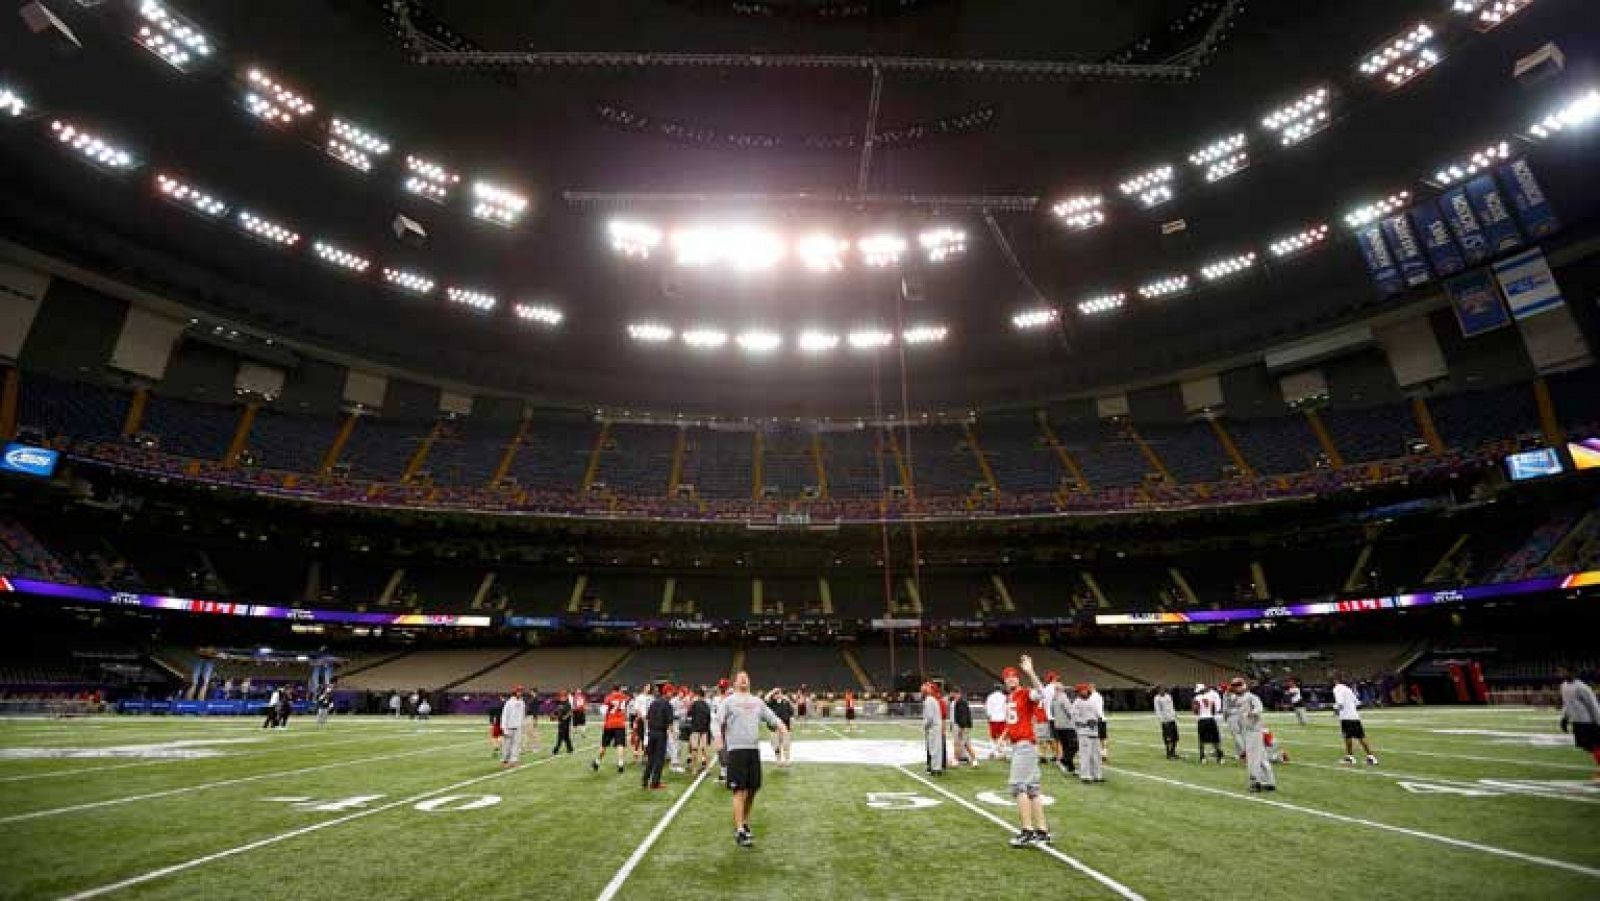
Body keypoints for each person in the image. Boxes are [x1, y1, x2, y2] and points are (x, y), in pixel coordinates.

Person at [714, 670, 789, 848]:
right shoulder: (729, 701)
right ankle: (739, 830)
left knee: (753, 789)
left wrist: (781, 725)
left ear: (749, 682)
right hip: (736, 751)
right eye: (740, 678)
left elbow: (771, 717)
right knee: (739, 791)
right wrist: (718, 737)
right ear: (735, 683)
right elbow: (716, 721)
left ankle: (744, 822)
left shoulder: (757, 702)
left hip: (753, 750)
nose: (743, 680)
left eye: (746, 678)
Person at [1000, 657, 1052, 848]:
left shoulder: (1023, 693)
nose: (1011, 679)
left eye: (1014, 676)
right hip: (1019, 745)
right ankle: (1042, 830)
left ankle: (1027, 830)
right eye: (1008, 677)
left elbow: (1041, 693)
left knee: (1018, 786)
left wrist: (1030, 671)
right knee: (1032, 789)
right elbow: (1012, 722)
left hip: (1025, 745)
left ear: (1018, 679)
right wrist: (1001, 740)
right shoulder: (1010, 697)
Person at [1232, 677, 1276, 792]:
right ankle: (1269, 781)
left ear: (1243, 685)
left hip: (1254, 731)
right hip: (1247, 731)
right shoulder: (1237, 698)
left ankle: (1256, 782)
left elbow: (1259, 709)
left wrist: (1250, 713)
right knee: (1261, 757)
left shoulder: (1251, 697)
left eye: (1238, 685)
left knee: (1253, 758)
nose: (1236, 688)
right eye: (1234, 686)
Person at [1556, 668, 1600, 779]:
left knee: (1595, 745)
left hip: (1588, 721)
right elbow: (1567, 704)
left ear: (1572, 672)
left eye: (1563, 671)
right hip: (1577, 721)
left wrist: (1598, 721)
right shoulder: (1563, 686)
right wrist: (1564, 718)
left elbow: (1593, 705)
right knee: (1588, 746)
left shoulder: (1582, 687)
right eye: (1559, 672)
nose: (1561, 674)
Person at [1332, 674, 1379, 765]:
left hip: (1346, 717)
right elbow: (1357, 702)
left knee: (1347, 737)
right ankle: (1371, 757)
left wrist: (1335, 709)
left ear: (1336, 680)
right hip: (1355, 716)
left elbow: (1340, 703)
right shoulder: (1348, 689)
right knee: (1361, 737)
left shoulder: (1337, 688)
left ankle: (1350, 757)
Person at [642, 683, 674, 790]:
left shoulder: (653, 702)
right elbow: (669, 723)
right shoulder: (668, 705)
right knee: (659, 759)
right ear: (667, 692)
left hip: (651, 733)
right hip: (661, 733)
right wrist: (672, 735)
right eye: (671, 692)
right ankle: (655, 783)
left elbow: (647, 718)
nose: (672, 694)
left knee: (650, 758)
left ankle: (645, 781)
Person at [1070, 683, 1104, 783]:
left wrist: (1097, 720)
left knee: (1096, 755)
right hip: (1084, 733)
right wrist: (1086, 722)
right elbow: (1074, 718)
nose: (1083, 692)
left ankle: (1097, 775)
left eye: (1084, 690)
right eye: (1081, 691)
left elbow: (1097, 714)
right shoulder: (1077, 703)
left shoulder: (1092, 700)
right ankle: (1085, 776)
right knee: (1085, 755)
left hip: (1094, 731)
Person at [593, 683, 630, 774]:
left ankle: (597, 762)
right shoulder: (625, 697)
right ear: (620, 688)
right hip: (620, 724)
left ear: (613, 689)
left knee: (604, 745)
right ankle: (620, 764)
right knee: (620, 745)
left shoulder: (608, 697)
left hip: (609, 724)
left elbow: (603, 711)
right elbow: (626, 706)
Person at [1048, 675, 1077, 775]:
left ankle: (1070, 767)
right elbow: (1070, 711)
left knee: (1065, 746)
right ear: (1061, 689)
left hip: (1058, 725)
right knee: (1074, 745)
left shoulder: (1053, 699)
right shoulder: (1063, 698)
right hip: (1068, 726)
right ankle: (1064, 759)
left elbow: (1052, 712)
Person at [1193, 682, 1224, 763]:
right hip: (1210, 718)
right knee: (1215, 739)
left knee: (1202, 739)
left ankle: (1202, 757)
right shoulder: (1211, 696)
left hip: (1202, 719)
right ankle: (1219, 757)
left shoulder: (1196, 698)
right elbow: (1213, 709)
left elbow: (1195, 710)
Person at [766, 687, 795, 768]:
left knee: (786, 745)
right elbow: (766, 698)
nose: (778, 695)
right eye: (776, 694)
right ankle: (778, 760)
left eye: (779, 693)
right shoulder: (771, 703)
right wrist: (773, 691)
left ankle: (787, 760)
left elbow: (791, 714)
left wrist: (791, 724)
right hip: (774, 728)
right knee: (776, 746)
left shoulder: (786, 702)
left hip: (785, 727)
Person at [922, 682, 946, 775]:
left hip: (933, 727)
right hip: (936, 726)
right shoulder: (933, 699)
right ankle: (936, 767)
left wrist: (925, 725)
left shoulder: (929, 700)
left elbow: (929, 717)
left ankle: (935, 768)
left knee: (934, 748)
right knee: (936, 748)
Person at [499, 687, 527, 768]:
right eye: (519, 691)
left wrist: (522, 724)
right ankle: (504, 760)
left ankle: (514, 760)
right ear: (515, 692)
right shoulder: (509, 702)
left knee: (516, 745)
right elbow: (504, 715)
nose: (520, 693)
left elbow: (522, 714)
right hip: (509, 727)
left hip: (518, 727)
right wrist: (504, 728)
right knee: (506, 745)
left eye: (521, 691)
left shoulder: (522, 702)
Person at [688, 686, 713, 774]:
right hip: (704, 729)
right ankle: (707, 768)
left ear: (698, 694)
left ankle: (694, 769)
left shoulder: (694, 703)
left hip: (695, 729)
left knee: (694, 749)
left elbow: (689, 714)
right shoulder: (706, 705)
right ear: (704, 695)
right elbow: (709, 718)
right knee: (704, 749)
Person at [951, 688, 977, 767]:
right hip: (961, 725)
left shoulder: (961, 702)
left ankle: (956, 760)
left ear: (958, 693)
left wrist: (962, 727)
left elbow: (964, 715)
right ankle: (974, 760)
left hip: (961, 726)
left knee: (957, 743)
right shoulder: (956, 702)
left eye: (954, 693)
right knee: (966, 744)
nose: (953, 695)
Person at [984, 684, 1010, 760]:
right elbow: (1006, 708)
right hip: (1002, 719)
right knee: (1003, 738)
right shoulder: (1004, 697)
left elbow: (988, 709)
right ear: (1001, 689)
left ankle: (992, 752)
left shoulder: (990, 697)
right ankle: (1003, 753)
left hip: (993, 719)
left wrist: (988, 718)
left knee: (993, 738)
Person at [1153, 686, 1179, 759]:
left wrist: (1175, 715)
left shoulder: (1168, 696)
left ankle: (1173, 752)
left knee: (1175, 737)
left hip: (1172, 719)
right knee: (1168, 738)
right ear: (1158, 691)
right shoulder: (1157, 698)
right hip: (1165, 720)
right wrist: (1161, 720)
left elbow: (1172, 707)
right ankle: (1168, 754)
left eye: (1163, 689)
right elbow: (1157, 710)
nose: (1162, 691)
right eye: (1161, 690)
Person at [1221, 680, 1244, 761]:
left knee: (1236, 735)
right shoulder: (1239, 694)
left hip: (1232, 716)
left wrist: (1224, 717)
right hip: (1241, 714)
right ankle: (1239, 753)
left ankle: (1243, 752)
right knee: (1241, 734)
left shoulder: (1227, 694)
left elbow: (1225, 708)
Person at [629, 684, 651, 765]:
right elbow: (637, 709)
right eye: (647, 686)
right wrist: (641, 717)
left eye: (649, 687)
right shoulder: (639, 698)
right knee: (638, 737)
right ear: (644, 687)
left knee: (647, 738)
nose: (649, 688)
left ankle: (645, 756)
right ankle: (636, 755)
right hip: (641, 720)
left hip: (649, 720)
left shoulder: (651, 698)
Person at [1086, 682, 1108, 762]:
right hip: (1101, 718)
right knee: (1103, 738)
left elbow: (1094, 709)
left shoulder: (1092, 697)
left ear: (1091, 688)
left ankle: (1099, 755)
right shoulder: (1098, 695)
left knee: (1096, 738)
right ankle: (1104, 753)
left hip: (1096, 719)